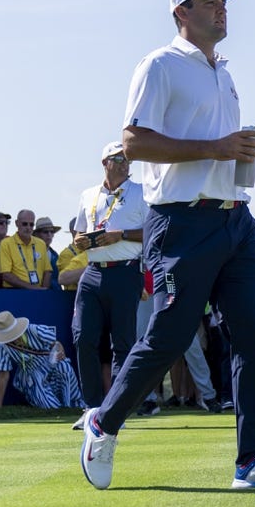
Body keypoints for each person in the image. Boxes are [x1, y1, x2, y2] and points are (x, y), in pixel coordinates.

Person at [80, 0, 255, 491]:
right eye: (209, 2)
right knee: (170, 335)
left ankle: (253, 460)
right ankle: (103, 422)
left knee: (252, 337)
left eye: (223, 2)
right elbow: (133, 143)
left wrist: (234, 153)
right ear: (181, 12)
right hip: (179, 222)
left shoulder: (223, 71)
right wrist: (219, 148)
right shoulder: (158, 64)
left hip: (236, 219)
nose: (222, 9)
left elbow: (217, 144)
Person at [71, 141, 148, 417]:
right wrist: (79, 242)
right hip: (93, 271)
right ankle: (91, 407)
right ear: (105, 162)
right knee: (83, 338)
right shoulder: (89, 194)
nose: (125, 163)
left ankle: (116, 411)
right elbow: (79, 232)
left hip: (126, 270)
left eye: (127, 159)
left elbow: (154, 230)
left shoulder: (141, 192)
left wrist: (122, 235)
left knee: (123, 342)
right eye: (118, 158)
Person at [0, 311, 84, 409]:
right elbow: (3, 376)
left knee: (64, 367)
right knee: (51, 407)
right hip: (31, 375)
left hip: (51, 364)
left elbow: (56, 343)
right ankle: (54, 406)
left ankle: (72, 406)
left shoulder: (35, 330)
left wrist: (60, 351)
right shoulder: (3, 347)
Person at [0, 210, 51, 289]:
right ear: (17, 223)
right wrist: (32, 288)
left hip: (38, 292)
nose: (28, 228)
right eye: (24, 224)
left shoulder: (41, 244)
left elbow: (47, 271)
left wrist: (43, 291)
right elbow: (6, 275)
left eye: (31, 224)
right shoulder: (6, 243)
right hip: (14, 292)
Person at [33, 217, 63, 290]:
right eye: (45, 232)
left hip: (54, 295)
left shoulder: (55, 255)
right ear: (36, 234)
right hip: (35, 294)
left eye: (51, 232)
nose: (49, 235)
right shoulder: (30, 253)